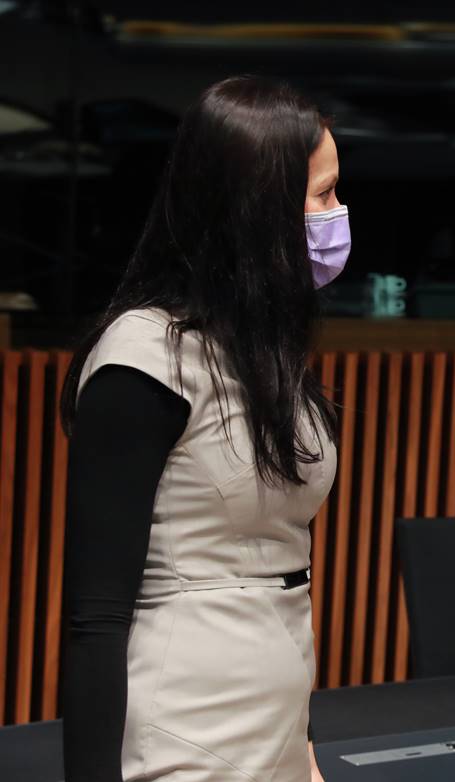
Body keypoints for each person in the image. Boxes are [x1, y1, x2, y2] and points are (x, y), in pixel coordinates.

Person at [60, 76, 347, 781]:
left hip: (278, 718)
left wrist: (307, 751)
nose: (337, 215)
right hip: (183, 727)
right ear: (259, 210)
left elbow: (282, 561)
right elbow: (96, 616)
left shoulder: (262, 346)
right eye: (323, 195)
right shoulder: (142, 357)